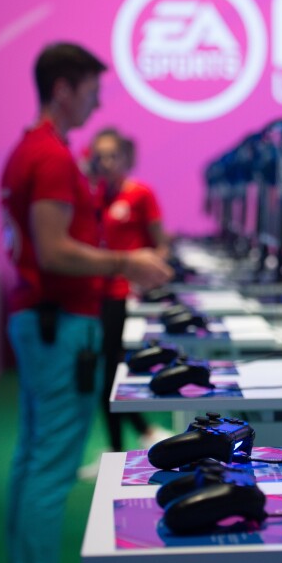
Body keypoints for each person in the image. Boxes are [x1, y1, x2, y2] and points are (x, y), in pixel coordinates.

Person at [0, 42, 172, 563]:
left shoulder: (34, 150)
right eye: (92, 93)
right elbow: (53, 250)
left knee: (35, 460)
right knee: (50, 467)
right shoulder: (50, 156)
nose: (96, 107)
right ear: (63, 89)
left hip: (46, 321)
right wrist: (128, 260)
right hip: (60, 325)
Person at [92, 127, 172, 460]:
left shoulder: (141, 194)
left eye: (113, 155)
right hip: (99, 293)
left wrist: (147, 279)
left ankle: (122, 446)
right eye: (100, 157)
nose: (106, 163)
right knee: (108, 373)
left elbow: (161, 245)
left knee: (112, 374)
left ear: (127, 157)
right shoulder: (94, 196)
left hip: (128, 297)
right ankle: (138, 435)